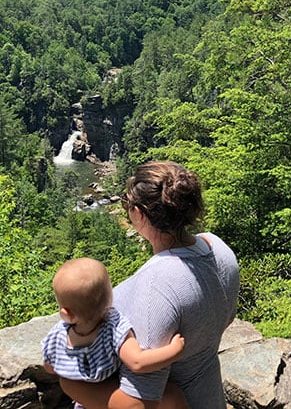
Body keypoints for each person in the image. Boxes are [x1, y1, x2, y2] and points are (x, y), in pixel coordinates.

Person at [59, 161, 240, 409]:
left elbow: (138, 403)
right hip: (207, 396)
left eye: (128, 206)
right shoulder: (218, 248)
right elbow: (226, 320)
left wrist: (70, 383)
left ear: (139, 215)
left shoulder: (156, 286)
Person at [42, 257, 188, 409]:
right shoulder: (113, 328)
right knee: (173, 396)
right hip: (117, 395)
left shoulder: (58, 335)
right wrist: (174, 350)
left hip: (85, 403)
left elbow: (49, 367)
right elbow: (137, 362)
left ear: (66, 314)